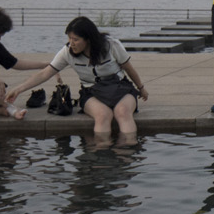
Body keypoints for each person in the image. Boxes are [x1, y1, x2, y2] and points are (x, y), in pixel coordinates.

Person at [8, 15, 152, 141]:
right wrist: (19, 89)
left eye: (75, 39)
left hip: (120, 87)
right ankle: (100, 156)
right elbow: (45, 73)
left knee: (122, 112)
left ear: (88, 39)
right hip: (91, 92)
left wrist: (141, 88)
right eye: (69, 38)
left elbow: (128, 68)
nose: (72, 43)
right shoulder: (67, 52)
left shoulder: (111, 45)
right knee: (103, 115)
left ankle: (127, 151)